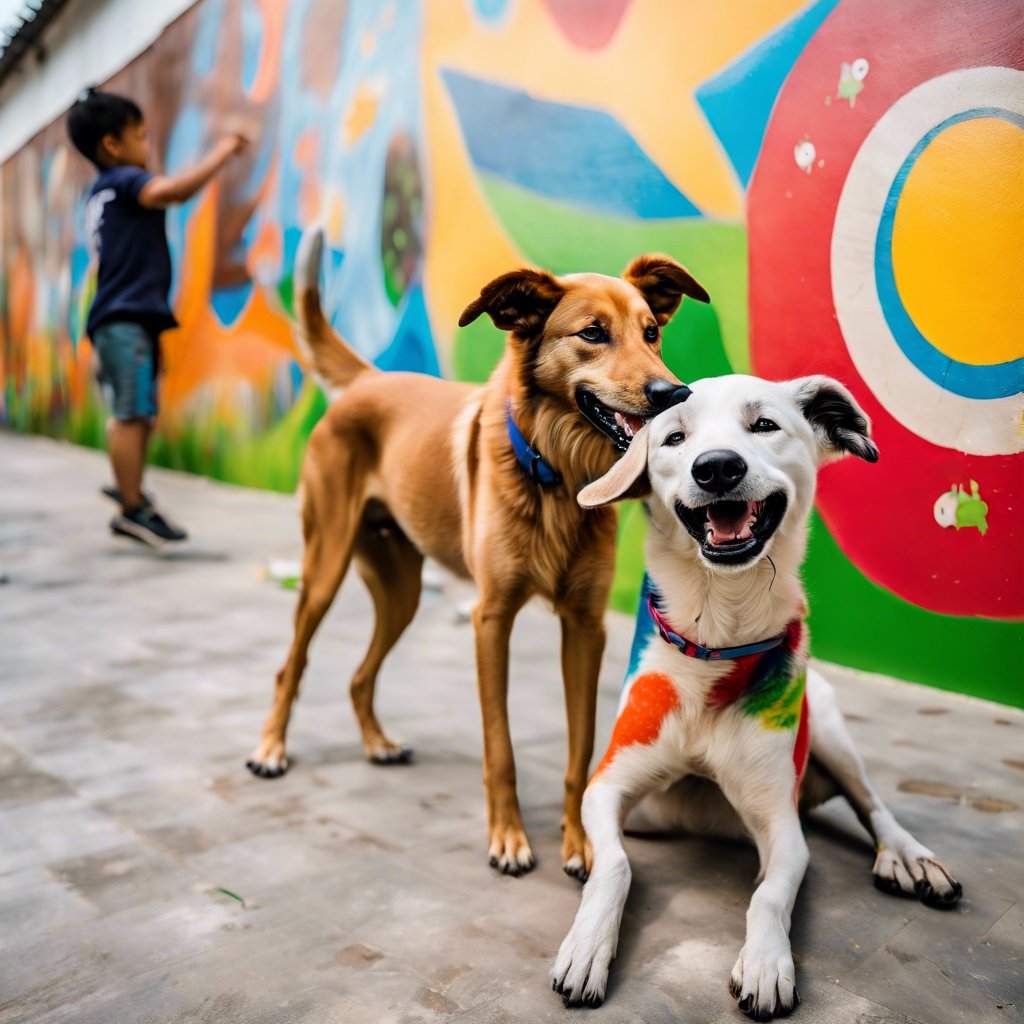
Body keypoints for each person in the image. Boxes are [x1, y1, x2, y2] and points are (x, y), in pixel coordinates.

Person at [66, 87, 248, 547]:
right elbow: (173, 191)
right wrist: (223, 152)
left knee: (138, 411)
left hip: (125, 318)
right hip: (125, 318)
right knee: (133, 413)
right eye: (141, 135)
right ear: (112, 145)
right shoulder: (124, 181)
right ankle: (131, 508)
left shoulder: (100, 194)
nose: (148, 146)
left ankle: (131, 492)